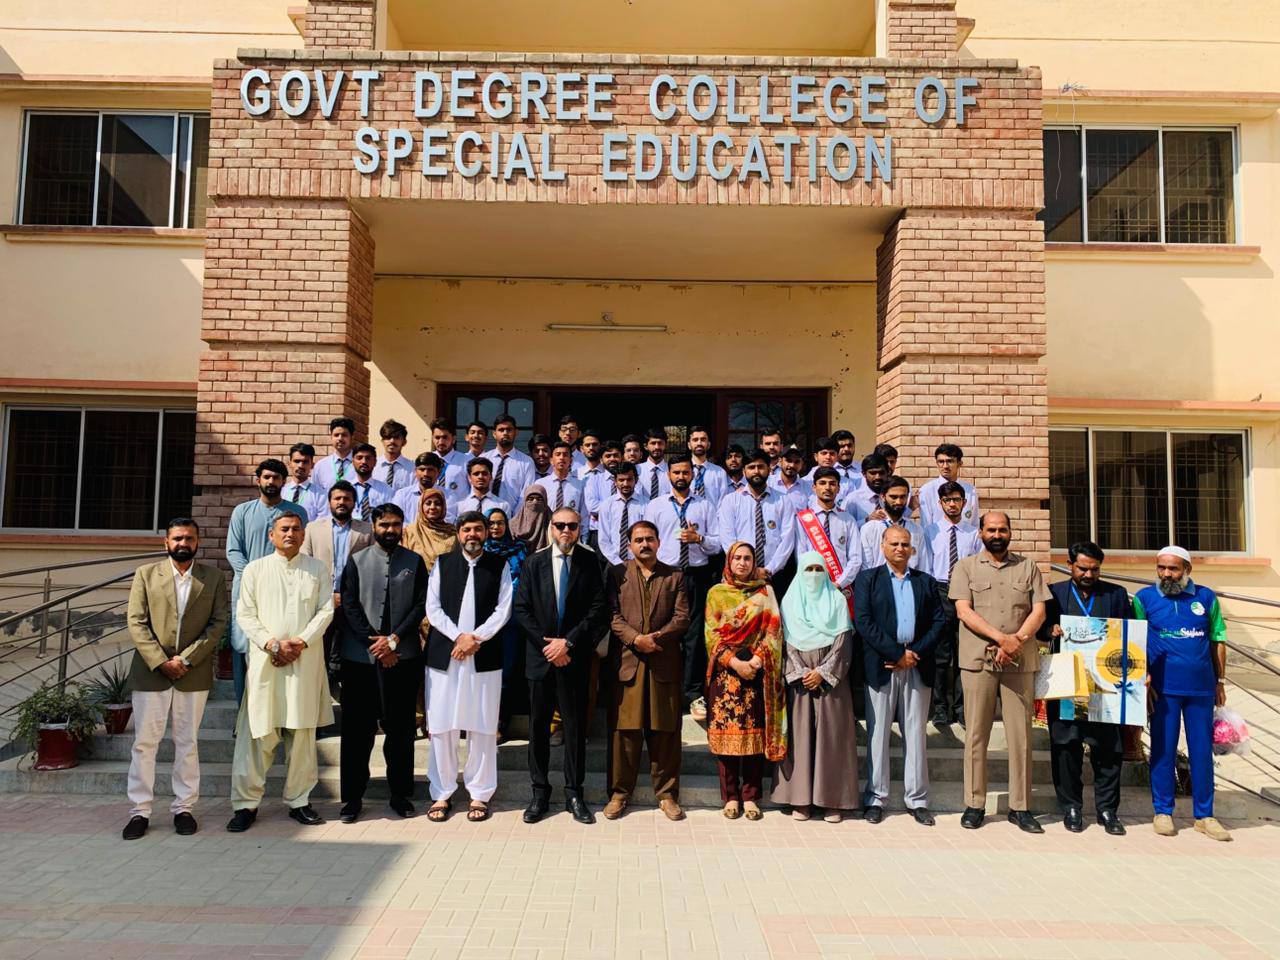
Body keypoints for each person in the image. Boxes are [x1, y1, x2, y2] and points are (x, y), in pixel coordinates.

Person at [121, 518, 230, 841]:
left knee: (187, 742)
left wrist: (186, 659)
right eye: (178, 538)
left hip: (192, 673)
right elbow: (136, 622)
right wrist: (161, 661)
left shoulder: (212, 577)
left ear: (198, 542)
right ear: (166, 542)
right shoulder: (145, 574)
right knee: (145, 743)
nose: (184, 543)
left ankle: (184, 809)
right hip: (151, 673)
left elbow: (219, 622)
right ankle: (140, 811)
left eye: (190, 538)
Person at [228, 512, 334, 832]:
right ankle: (246, 805)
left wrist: (299, 643)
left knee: (301, 737)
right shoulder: (255, 570)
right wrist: (272, 644)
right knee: (257, 734)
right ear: (271, 536)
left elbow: (325, 610)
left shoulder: (317, 569)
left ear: (303, 536)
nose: (290, 534)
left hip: (304, 661)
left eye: (296, 529)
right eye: (284, 529)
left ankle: (299, 801)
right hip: (266, 663)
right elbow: (245, 615)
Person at [950, 512, 1050, 833]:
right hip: (979, 659)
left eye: (1002, 529)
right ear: (980, 532)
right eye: (991, 529)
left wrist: (1016, 641)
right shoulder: (965, 567)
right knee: (976, 734)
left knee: (1020, 737)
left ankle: (1020, 807)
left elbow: (1039, 610)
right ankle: (974, 803)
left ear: (1010, 533)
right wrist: (1001, 639)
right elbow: (963, 611)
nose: (997, 534)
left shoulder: (1028, 567)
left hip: (1019, 661)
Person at [514, 507, 609, 824]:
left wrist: (567, 643)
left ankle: (574, 793)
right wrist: (549, 647)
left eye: (572, 526)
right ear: (551, 528)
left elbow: (598, 610)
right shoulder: (534, 563)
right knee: (538, 728)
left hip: (574, 659)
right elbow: (521, 610)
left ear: (580, 529)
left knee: (575, 729)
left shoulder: (590, 562)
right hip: (541, 660)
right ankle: (539, 793)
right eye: (560, 525)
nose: (566, 531)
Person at [337, 504, 428, 823]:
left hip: (403, 658)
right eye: (384, 524)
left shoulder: (414, 562)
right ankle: (352, 798)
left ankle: (400, 795)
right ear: (374, 526)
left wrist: (394, 640)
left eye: (396, 524)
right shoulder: (356, 560)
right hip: (360, 660)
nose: (390, 530)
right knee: (356, 733)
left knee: (401, 731)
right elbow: (349, 605)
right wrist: (374, 642)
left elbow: (421, 605)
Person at [1135, 546, 1232, 842]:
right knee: (1163, 750)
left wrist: (1220, 681)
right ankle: (1163, 812)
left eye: (1173, 568)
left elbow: (1218, 639)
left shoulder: (1206, 597)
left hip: (1201, 689)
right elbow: (1135, 641)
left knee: (1201, 753)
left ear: (1187, 569)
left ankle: (1205, 816)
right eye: (1161, 568)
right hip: (1162, 690)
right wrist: (1143, 677)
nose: (1166, 574)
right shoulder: (1144, 599)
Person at [424, 511, 514, 823]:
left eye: (478, 529)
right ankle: (442, 792)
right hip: (445, 655)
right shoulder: (442, 563)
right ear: (458, 534)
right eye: (466, 530)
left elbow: (504, 608)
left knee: (483, 726)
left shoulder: (499, 565)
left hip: (483, 656)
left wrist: (476, 638)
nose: (472, 534)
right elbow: (433, 608)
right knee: (442, 726)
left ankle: (480, 793)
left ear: (486, 533)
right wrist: (459, 637)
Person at [1038, 541, 1133, 835]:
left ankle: (1107, 810)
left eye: (1094, 570)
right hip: (1068, 684)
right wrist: (1050, 630)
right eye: (1082, 569)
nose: (1089, 575)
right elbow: (1039, 628)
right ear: (1069, 565)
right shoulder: (1054, 594)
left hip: (1105, 685)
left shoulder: (1116, 595)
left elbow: (1131, 636)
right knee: (1066, 747)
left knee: (1108, 750)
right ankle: (1071, 807)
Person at [854, 528, 947, 826]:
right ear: (882, 546)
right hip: (882, 665)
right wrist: (896, 654)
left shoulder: (926, 582)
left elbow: (938, 622)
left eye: (905, 544)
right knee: (878, 733)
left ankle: (917, 800)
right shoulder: (867, 580)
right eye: (894, 543)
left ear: (912, 549)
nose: (900, 548)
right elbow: (864, 622)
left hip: (917, 665)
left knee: (916, 734)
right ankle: (875, 798)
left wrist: (913, 653)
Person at [604, 521, 691, 820]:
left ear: (658, 542)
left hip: (663, 661)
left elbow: (682, 617)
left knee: (665, 731)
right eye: (639, 540)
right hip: (628, 662)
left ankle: (667, 794)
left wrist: (655, 639)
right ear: (629, 545)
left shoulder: (675, 576)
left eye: (650, 539)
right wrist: (635, 639)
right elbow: (612, 615)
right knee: (625, 732)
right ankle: (619, 793)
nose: (645, 544)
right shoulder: (616, 574)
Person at [772, 551, 858, 822]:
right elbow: (785, 642)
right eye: (808, 570)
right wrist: (801, 673)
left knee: (831, 739)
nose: (813, 575)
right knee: (801, 738)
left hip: (831, 683)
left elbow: (843, 642)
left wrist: (822, 673)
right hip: (800, 683)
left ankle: (832, 800)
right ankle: (800, 800)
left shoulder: (837, 601)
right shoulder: (789, 601)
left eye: (818, 570)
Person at [704, 542, 786, 821]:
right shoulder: (716, 593)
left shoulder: (765, 592)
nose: (742, 563)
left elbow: (773, 632)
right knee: (726, 740)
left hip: (756, 673)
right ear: (729, 561)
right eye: (737, 558)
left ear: (754, 562)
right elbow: (711, 635)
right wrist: (735, 663)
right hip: (726, 673)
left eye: (747, 558)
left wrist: (755, 661)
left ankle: (750, 796)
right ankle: (730, 797)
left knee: (754, 739)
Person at [225, 459, 309, 705]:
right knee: (245, 647)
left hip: (285, 589)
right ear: (258, 480)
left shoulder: (296, 513)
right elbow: (233, 551)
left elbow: (300, 550)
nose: (271, 482)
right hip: (247, 589)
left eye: (276, 478)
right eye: (267, 477)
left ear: (284, 481)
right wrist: (256, 577)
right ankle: (244, 714)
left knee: (281, 644)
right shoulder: (242, 512)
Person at [644, 454, 720, 712]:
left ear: (692, 475)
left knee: (694, 635)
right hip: (665, 575)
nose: (681, 477)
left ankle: (692, 692)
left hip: (696, 575)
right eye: (676, 472)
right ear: (668, 475)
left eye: (685, 472)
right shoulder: (656, 506)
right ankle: (663, 690)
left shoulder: (705, 505)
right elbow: (647, 541)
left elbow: (718, 544)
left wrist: (699, 539)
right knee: (663, 631)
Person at [919, 480, 982, 726]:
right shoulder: (930, 532)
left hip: (966, 593)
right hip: (939, 589)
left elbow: (978, 566)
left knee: (964, 652)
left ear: (964, 503)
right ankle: (940, 708)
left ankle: (961, 708)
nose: (952, 504)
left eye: (956, 499)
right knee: (941, 654)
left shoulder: (973, 533)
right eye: (947, 500)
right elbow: (925, 565)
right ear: (940, 503)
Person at [299, 481, 373, 689]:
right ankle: (319, 692)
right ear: (329, 501)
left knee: (349, 651)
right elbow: (305, 562)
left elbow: (371, 566)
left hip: (354, 601)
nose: (342, 502)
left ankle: (346, 692)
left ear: (354, 503)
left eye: (347, 499)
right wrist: (327, 595)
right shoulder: (313, 528)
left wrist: (346, 596)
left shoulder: (367, 530)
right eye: (337, 498)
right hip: (321, 599)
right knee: (319, 650)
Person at [717, 448, 797, 593]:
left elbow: (787, 540)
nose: (756, 471)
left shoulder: (783, 500)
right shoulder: (730, 501)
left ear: (769, 469)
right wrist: (748, 569)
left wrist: (769, 569)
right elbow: (728, 539)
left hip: (774, 575)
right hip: (740, 576)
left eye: (760, 467)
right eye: (751, 467)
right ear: (744, 471)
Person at [485, 508, 530, 739]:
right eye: (491, 523)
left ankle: (500, 723)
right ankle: (481, 722)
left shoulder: (519, 549)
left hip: (512, 620)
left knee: (506, 672)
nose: (495, 527)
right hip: (484, 621)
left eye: (500, 523)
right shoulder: (479, 550)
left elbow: (525, 581)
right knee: (484, 673)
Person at [795, 466, 861, 593]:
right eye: (822, 483)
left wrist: (839, 583)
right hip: (811, 586)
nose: (827, 487)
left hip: (841, 587)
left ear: (838, 488)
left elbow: (856, 558)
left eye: (832, 484)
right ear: (814, 487)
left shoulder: (848, 519)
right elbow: (801, 556)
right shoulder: (803, 519)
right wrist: (813, 581)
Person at [856, 476, 926, 572]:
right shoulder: (869, 528)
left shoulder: (916, 529)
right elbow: (866, 567)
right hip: (878, 580)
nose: (899, 502)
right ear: (883, 497)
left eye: (903, 497)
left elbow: (923, 566)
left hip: (910, 580)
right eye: (894, 497)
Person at [596, 460, 648, 566]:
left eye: (629, 479)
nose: (625, 484)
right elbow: (603, 539)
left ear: (636, 480)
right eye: (621, 480)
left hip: (639, 562)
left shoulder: (647, 504)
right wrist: (618, 562)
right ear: (615, 481)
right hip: (613, 562)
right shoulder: (607, 505)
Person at [534, 441, 591, 536]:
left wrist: (584, 538)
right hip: (546, 534)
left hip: (570, 534)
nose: (561, 457)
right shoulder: (540, 484)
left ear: (571, 461)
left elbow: (584, 515)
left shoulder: (579, 485)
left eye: (565, 455)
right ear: (551, 460)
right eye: (558, 454)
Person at [917, 444, 979, 527]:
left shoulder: (970, 490)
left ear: (959, 464)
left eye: (950, 461)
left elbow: (974, 524)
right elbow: (926, 526)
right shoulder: (926, 491)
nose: (945, 466)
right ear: (937, 463)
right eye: (941, 462)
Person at [401, 488, 458, 573]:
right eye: (428, 503)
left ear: (443, 507)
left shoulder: (452, 533)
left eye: (437, 504)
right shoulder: (408, 533)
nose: (432, 507)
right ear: (421, 506)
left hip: (446, 578)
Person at [483, 414, 536, 503]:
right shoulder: (484, 459)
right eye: (501, 430)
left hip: (514, 511)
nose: (505, 433)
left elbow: (526, 494)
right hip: (485, 510)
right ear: (494, 434)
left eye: (509, 430)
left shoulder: (526, 462)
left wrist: (515, 512)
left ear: (516, 432)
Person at [393, 452, 458, 523]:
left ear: (439, 473)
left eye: (430, 470)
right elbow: (396, 520)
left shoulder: (448, 496)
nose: (426, 474)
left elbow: (447, 521)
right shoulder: (402, 495)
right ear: (415, 471)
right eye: (422, 469)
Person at [343, 442, 394, 522]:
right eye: (359, 458)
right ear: (352, 461)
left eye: (368, 458)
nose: (364, 462)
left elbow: (390, 517)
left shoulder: (386, 490)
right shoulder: (345, 489)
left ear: (375, 462)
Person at [282, 442, 325, 521]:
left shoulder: (321, 495)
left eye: (305, 462)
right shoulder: (281, 492)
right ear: (289, 463)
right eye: (297, 461)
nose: (300, 466)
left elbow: (322, 522)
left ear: (312, 465)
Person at [842, 453, 891, 523]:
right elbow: (844, 526)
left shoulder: (895, 497)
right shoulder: (853, 500)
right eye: (873, 473)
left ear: (888, 472)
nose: (878, 477)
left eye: (881, 473)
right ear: (864, 474)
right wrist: (866, 520)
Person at [311, 416, 356, 490]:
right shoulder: (321, 466)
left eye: (344, 435)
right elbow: (315, 493)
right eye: (336, 435)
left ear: (352, 437)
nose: (340, 438)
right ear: (331, 437)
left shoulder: (360, 465)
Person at [688, 425, 728, 505]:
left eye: (703, 440)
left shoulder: (719, 472)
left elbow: (723, 502)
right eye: (695, 440)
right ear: (689, 445)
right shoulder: (682, 471)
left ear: (708, 445)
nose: (699, 443)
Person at [376, 418, 416, 491]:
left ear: (404, 442)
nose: (392, 441)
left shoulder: (412, 468)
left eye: (396, 437)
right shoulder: (373, 465)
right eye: (388, 437)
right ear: (382, 441)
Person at [769, 446, 811, 511]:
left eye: (797, 462)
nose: (792, 465)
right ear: (780, 461)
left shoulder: (808, 488)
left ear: (802, 464)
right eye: (788, 460)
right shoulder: (768, 483)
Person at [510, 486, 552, 551]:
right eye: (530, 499)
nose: (535, 502)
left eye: (539, 499)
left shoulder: (553, 525)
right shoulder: (512, 525)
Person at [636, 427, 672, 500]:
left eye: (660, 443)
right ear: (645, 446)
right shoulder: (637, 470)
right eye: (653, 443)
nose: (657, 447)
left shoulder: (672, 471)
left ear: (665, 445)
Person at [830, 429, 863, 495]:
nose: (846, 449)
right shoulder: (828, 470)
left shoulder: (863, 469)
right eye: (842, 446)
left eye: (849, 445)